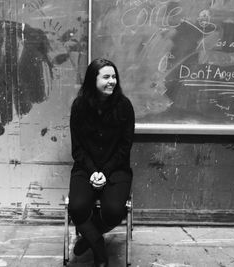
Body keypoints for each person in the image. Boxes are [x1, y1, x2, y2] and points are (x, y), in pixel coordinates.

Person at [68, 58, 135, 267]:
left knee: (115, 211)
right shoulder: (79, 107)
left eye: (114, 76)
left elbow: (125, 147)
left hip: (116, 169)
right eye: (106, 77)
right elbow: (77, 149)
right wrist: (92, 171)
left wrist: (104, 172)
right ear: (92, 80)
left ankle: (87, 239)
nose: (112, 81)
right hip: (85, 168)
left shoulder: (124, 107)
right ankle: (99, 250)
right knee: (77, 207)